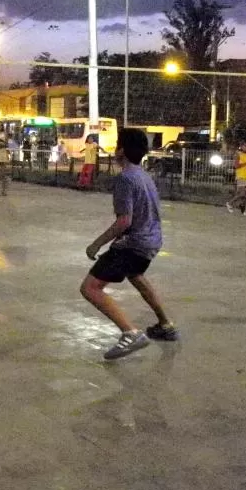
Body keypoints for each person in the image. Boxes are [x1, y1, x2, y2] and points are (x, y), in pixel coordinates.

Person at [80, 128, 178, 360]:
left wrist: (96, 244)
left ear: (121, 150)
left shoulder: (125, 179)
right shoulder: (144, 176)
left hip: (133, 243)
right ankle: (165, 325)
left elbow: (124, 221)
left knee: (90, 288)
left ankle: (130, 333)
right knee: (136, 276)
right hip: (151, 241)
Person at [226, 140, 246, 216]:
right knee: (241, 193)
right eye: (245, 146)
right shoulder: (238, 154)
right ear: (242, 146)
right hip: (241, 175)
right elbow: (236, 166)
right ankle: (229, 203)